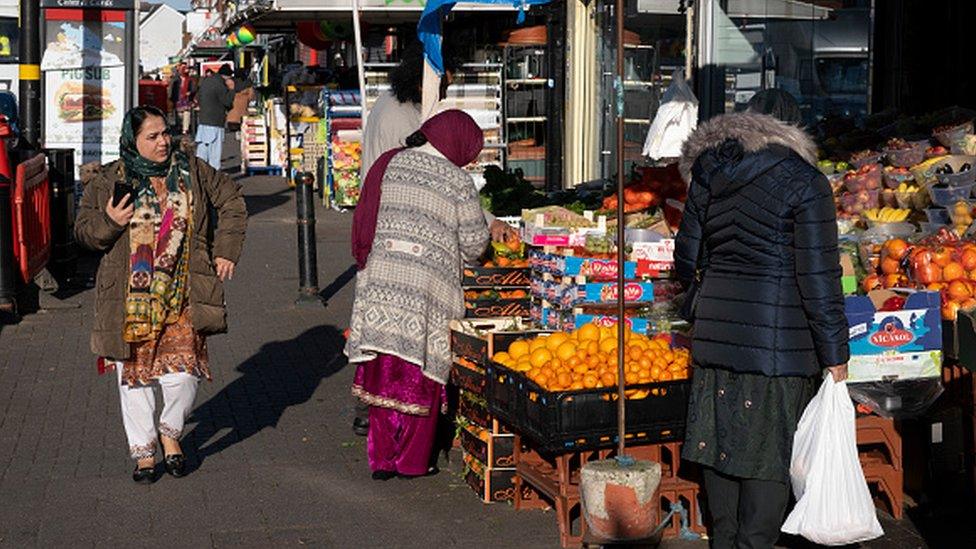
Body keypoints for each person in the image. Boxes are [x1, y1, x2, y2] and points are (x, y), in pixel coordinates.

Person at [674, 89, 849, 549]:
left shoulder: (709, 172)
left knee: (720, 443)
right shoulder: (805, 181)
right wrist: (836, 354)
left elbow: (685, 259)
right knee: (767, 453)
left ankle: (723, 540)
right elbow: (820, 277)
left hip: (714, 334)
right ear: (795, 131)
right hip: (778, 344)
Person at [75, 106, 248, 484]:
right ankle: (144, 453)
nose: (163, 142)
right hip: (129, 297)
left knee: (184, 376)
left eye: (165, 133)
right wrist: (110, 222)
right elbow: (84, 232)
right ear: (132, 141)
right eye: (152, 137)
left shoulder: (191, 170)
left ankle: (170, 432)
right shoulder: (109, 179)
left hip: (182, 290)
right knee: (135, 380)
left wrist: (225, 249)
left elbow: (232, 199)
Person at [351, 41, 516, 437]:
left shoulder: (392, 106)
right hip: (407, 250)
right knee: (406, 348)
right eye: (443, 84)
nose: (444, 93)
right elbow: (438, 186)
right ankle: (404, 435)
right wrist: (486, 221)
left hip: (384, 241)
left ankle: (381, 425)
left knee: (383, 345)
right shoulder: (404, 122)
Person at [345, 109, 488, 480]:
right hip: (426, 292)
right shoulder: (458, 181)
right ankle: (410, 461)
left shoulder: (392, 163)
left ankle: (381, 459)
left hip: (381, 286)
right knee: (418, 377)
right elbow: (474, 244)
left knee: (383, 369)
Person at [195, 65, 239, 170]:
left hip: (203, 120)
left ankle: (199, 174)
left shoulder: (206, 81)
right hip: (215, 121)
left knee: (202, 152)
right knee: (214, 153)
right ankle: (214, 177)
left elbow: (198, 98)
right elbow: (227, 101)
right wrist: (232, 90)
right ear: (227, 76)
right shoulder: (220, 84)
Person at [170, 64, 197, 136]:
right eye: (184, 69)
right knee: (179, 115)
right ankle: (180, 126)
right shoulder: (176, 79)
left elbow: (194, 88)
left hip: (187, 99)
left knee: (186, 113)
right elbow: (172, 89)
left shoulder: (190, 79)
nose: (186, 70)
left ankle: (185, 129)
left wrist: (190, 92)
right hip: (178, 99)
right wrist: (172, 99)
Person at [226, 69, 255, 134]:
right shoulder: (248, 85)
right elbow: (251, 97)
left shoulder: (231, 83)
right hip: (243, 114)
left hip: (231, 116)